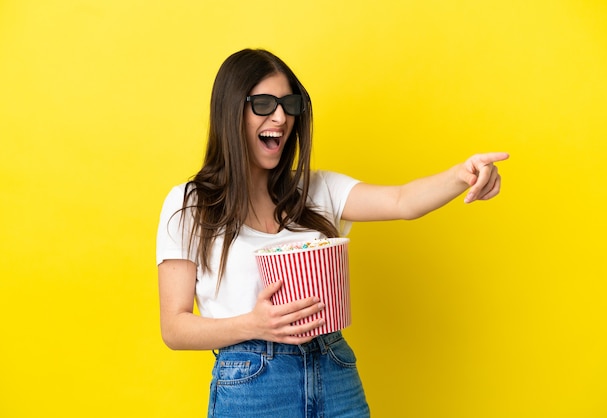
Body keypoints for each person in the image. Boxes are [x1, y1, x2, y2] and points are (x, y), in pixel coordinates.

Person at [156, 48, 509, 418]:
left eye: (288, 104)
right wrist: (255, 324)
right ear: (230, 111)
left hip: (333, 369)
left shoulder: (315, 189)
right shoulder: (190, 204)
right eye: (263, 103)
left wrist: (462, 174)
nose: (280, 116)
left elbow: (403, 201)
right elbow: (174, 327)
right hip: (252, 382)